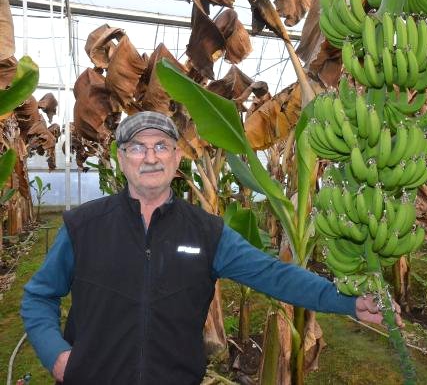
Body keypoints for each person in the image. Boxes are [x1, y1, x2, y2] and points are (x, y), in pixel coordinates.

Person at [21, 111, 403, 384]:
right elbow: (39, 296)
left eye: (162, 146)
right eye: (137, 147)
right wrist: (58, 357)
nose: (150, 157)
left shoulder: (206, 232)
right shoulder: (83, 226)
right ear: (121, 159)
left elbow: (273, 275)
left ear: (176, 158)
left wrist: (348, 302)